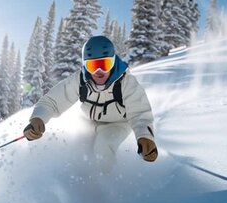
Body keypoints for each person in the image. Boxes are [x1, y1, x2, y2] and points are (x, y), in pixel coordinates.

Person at [23, 35, 157, 172]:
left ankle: (104, 184)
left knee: (103, 146)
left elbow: (140, 113)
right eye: (93, 66)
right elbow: (53, 100)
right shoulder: (80, 80)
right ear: (85, 65)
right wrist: (38, 118)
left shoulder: (126, 83)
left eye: (105, 65)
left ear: (113, 62)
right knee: (75, 147)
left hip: (117, 123)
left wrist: (145, 137)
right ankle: (76, 181)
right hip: (89, 121)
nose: (99, 72)